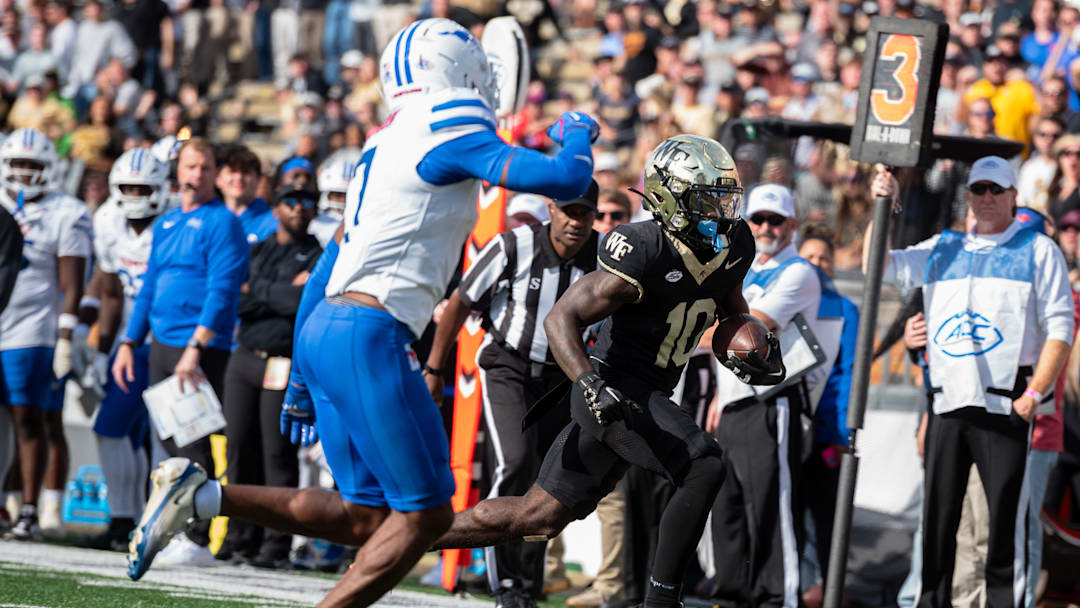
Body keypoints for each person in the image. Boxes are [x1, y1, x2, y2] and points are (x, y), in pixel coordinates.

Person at [125, 19, 597, 607]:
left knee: (363, 516)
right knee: (426, 517)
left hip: (328, 328)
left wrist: (300, 370)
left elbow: (328, 265)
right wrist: (578, 134)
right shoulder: (447, 119)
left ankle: (200, 498)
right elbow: (565, 177)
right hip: (369, 332)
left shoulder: (384, 138)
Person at [433, 134, 778, 608]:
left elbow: (730, 310)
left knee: (537, 517)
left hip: (649, 392)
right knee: (703, 464)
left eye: (724, 197)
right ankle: (662, 601)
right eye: (706, 198)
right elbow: (561, 319)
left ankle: (411, 538)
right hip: (610, 388)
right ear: (669, 196)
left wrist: (748, 341)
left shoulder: (733, 243)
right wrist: (590, 384)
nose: (720, 211)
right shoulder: (644, 246)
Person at [868, 157, 1074, 608]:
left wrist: (1034, 394)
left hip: (1006, 407)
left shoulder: (1037, 250)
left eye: (995, 190)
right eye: (978, 189)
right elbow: (880, 268)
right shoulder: (945, 245)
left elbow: (1061, 327)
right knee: (939, 528)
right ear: (967, 194)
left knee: (1003, 531)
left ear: (1013, 196)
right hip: (947, 407)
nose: (985, 198)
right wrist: (884, 206)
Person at [424, 180, 601, 606]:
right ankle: (503, 581)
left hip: (563, 377)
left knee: (550, 481)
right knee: (515, 463)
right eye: (568, 211)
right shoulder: (514, 245)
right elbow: (461, 302)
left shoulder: (605, 256)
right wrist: (433, 367)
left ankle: (528, 580)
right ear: (551, 208)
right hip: (510, 365)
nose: (575, 222)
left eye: (584, 214)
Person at [111, 137, 249, 565]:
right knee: (172, 444)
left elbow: (221, 291)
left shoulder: (221, 222)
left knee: (196, 448)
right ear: (178, 172)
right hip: (162, 347)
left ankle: (198, 539)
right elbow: (149, 288)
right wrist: (129, 343)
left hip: (200, 350)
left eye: (205, 168)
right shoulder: (168, 223)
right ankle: (179, 530)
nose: (196, 175)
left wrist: (196, 346)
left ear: (214, 174)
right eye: (190, 167)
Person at [704, 183, 823, 608]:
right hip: (736, 404)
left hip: (772, 404)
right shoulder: (740, 269)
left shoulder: (799, 271)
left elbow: (747, 332)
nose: (766, 227)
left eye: (775, 220)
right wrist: (720, 397)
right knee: (729, 512)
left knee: (772, 512)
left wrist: (677, 336)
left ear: (792, 225)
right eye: (757, 219)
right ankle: (733, 596)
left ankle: (779, 599)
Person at [217, 184, 321, 568]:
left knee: (277, 452)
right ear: (276, 208)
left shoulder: (317, 254)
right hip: (245, 357)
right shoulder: (256, 248)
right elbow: (237, 299)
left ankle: (276, 542)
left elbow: (303, 302)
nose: (298, 207)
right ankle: (238, 535)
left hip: (282, 361)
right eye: (290, 200)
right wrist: (278, 292)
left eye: (307, 202)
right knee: (238, 446)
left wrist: (261, 291)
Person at [0, 128, 91, 541]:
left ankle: (31, 510)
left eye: (32, 165)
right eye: (17, 163)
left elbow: (72, 283)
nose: (23, 172)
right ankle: (9, 504)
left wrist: (65, 339)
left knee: (28, 419)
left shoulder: (65, 211)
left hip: (32, 328)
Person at [78, 148, 169, 550]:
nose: (134, 195)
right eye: (127, 187)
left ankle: (147, 524)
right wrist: (101, 348)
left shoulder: (173, 224)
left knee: (159, 441)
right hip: (129, 346)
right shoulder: (108, 220)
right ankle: (126, 521)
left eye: (142, 187)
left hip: (166, 342)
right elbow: (112, 290)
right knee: (115, 431)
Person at [795, 225, 859, 602]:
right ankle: (801, 586)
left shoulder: (846, 310)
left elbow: (848, 373)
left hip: (826, 432)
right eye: (809, 257)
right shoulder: (786, 299)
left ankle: (827, 587)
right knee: (791, 512)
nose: (817, 264)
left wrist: (840, 433)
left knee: (826, 516)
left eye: (824, 259)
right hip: (787, 426)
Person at [216, 144, 278, 244]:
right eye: (233, 171)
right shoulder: (206, 220)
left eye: (246, 172)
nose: (239, 177)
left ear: (258, 179)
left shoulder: (274, 222)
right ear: (218, 179)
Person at [309, 148, 361, 247]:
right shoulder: (315, 224)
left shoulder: (363, 223)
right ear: (326, 195)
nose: (343, 201)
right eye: (338, 195)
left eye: (347, 195)